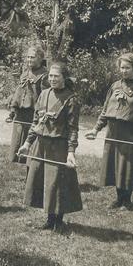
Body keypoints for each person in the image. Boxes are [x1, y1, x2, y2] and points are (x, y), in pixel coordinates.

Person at [17, 61, 81, 232]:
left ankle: (58, 221)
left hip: (57, 146)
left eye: (56, 76)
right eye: (50, 76)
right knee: (42, 180)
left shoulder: (71, 99)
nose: (52, 79)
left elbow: (73, 129)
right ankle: (49, 219)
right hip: (41, 144)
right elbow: (35, 122)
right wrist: (27, 143)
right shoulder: (44, 94)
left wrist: (71, 152)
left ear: (64, 78)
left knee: (56, 183)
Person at [85, 53, 133, 208]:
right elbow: (105, 110)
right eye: (122, 67)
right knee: (114, 165)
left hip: (130, 133)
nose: (124, 71)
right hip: (113, 132)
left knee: (126, 166)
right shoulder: (115, 86)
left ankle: (127, 200)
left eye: (127, 68)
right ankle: (118, 198)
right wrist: (96, 129)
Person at [7, 46, 49, 163]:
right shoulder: (25, 72)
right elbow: (19, 92)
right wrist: (13, 108)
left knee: (32, 140)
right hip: (21, 112)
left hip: (33, 113)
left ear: (40, 58)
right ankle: (20, 159)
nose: (29, 60)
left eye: (33, 57)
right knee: (19, 137)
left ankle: (30, 165)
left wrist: (41, 113)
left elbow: (45, 96)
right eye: (28, 57)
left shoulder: (44, 75)